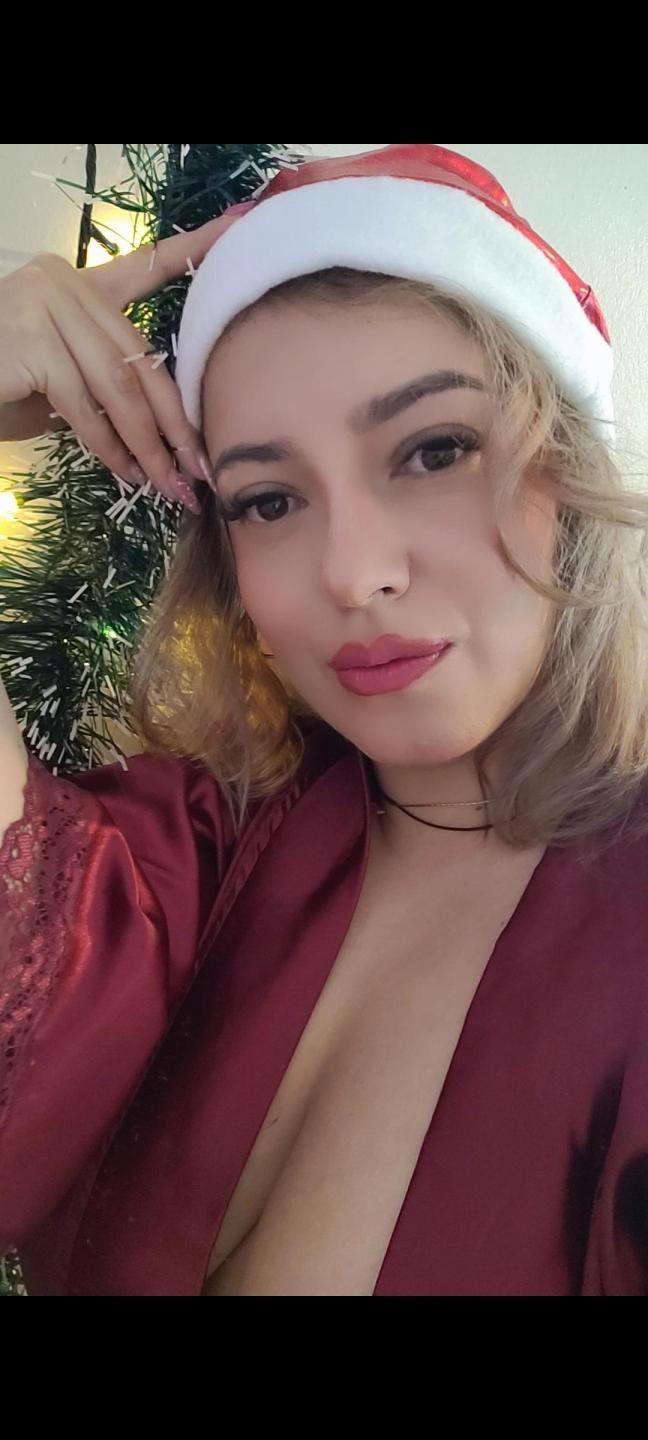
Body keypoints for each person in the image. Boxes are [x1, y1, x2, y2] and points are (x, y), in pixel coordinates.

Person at [1, 145, 648, 1296]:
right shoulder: (190, 857)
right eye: (269, 500)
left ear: (571, 468)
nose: (352, 573)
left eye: (434, 451)